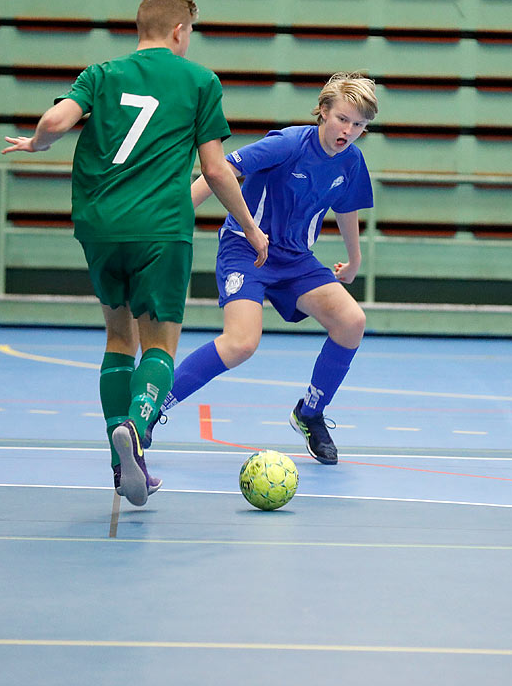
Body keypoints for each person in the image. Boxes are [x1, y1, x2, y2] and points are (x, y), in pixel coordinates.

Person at [2, 0, 267, 507]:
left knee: (118, 339)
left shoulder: (100, 74)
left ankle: (124, 461)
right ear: (179, 31)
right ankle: (138, 430)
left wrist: (37, 142)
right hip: (160, 228)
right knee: (160, 344)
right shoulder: (199, 80)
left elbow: (56, 121)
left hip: (99, 225)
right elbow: (215, 169)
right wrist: (251, 227)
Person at [159, 71, 379, 466]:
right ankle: (154, 405)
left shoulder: (352, 160)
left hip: (296, 261)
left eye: (360, 124)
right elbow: (220, 171)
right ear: (323, 112)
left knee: (351, 321)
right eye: (343, 119)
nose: (350, 130)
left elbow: (346, 207)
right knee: (241, 342)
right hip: (247, 249)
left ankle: (309, 413)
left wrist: (355, 259)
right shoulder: (289, 143)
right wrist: (175, 217)